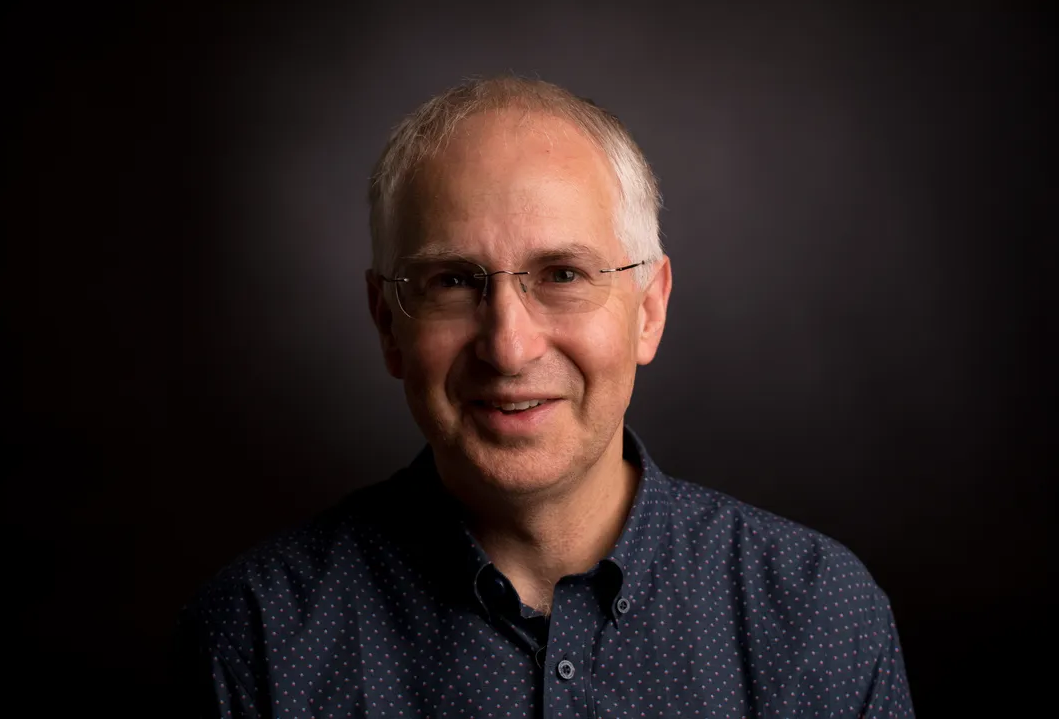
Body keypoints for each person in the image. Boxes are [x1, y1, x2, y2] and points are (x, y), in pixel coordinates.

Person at [175, 75, 914, 717]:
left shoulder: (817, 615)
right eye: (454, 280)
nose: (510, 345)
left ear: (648, 310)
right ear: (387, 324)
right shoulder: (257, 636)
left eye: (563, 274)